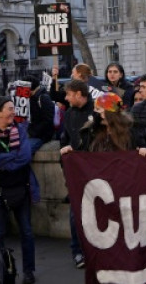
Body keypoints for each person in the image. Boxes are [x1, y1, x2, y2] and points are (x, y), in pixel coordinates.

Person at [0, 97, 39, 284]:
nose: (13, 112)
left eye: (13, 108)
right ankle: (0, 272)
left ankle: (29, 271)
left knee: (27, 232)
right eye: (9, 109)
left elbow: (25, 157)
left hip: (21, 189)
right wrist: (12, 158)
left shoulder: (20, 130)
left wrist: (4, 163)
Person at [57, 79, 93, 269]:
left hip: (94, 171)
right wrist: (64, 152)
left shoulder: (97, 111)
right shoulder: (69, 113)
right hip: (75, 172)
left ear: (79, 94)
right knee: (75, 214)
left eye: (69, 94)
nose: (66, 98)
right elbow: (64, 137)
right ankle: (77, 251)